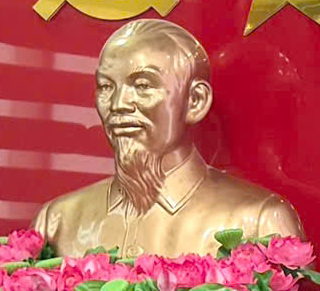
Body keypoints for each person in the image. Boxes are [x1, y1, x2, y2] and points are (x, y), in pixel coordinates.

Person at [31, 18, 302, 257]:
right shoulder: (56, 222)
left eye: (143, 85)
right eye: (105, 87)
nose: (117, 104)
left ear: (195, 101)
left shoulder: (259, 223)